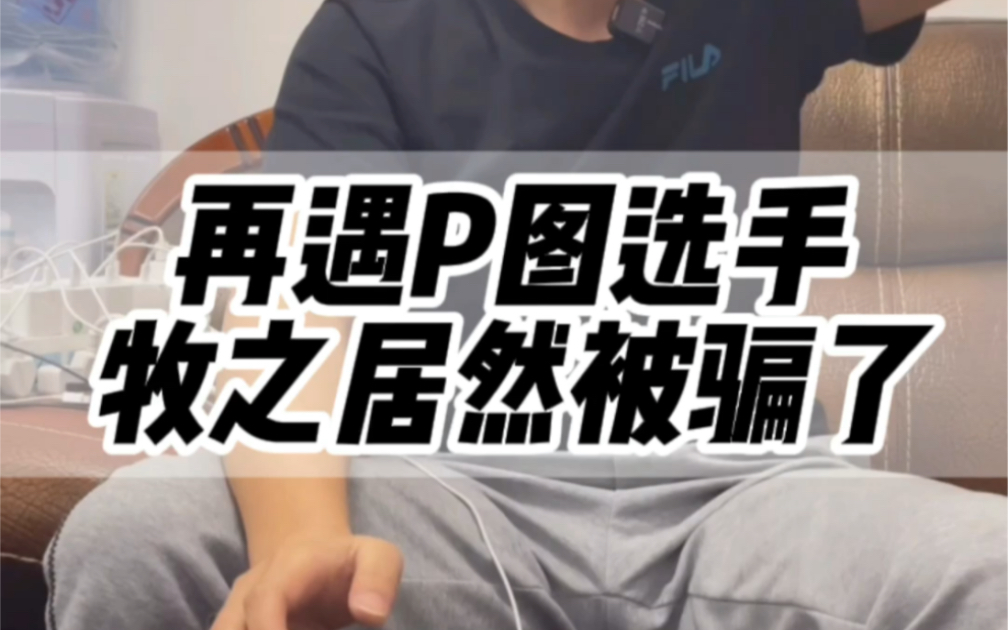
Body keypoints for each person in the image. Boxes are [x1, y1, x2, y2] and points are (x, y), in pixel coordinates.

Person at [45, 0, 1006, 629]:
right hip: (462, 492)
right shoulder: (373, 32)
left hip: (742, 491)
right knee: (137, 536)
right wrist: (304, 547)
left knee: (987, 567)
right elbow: (298, 313)